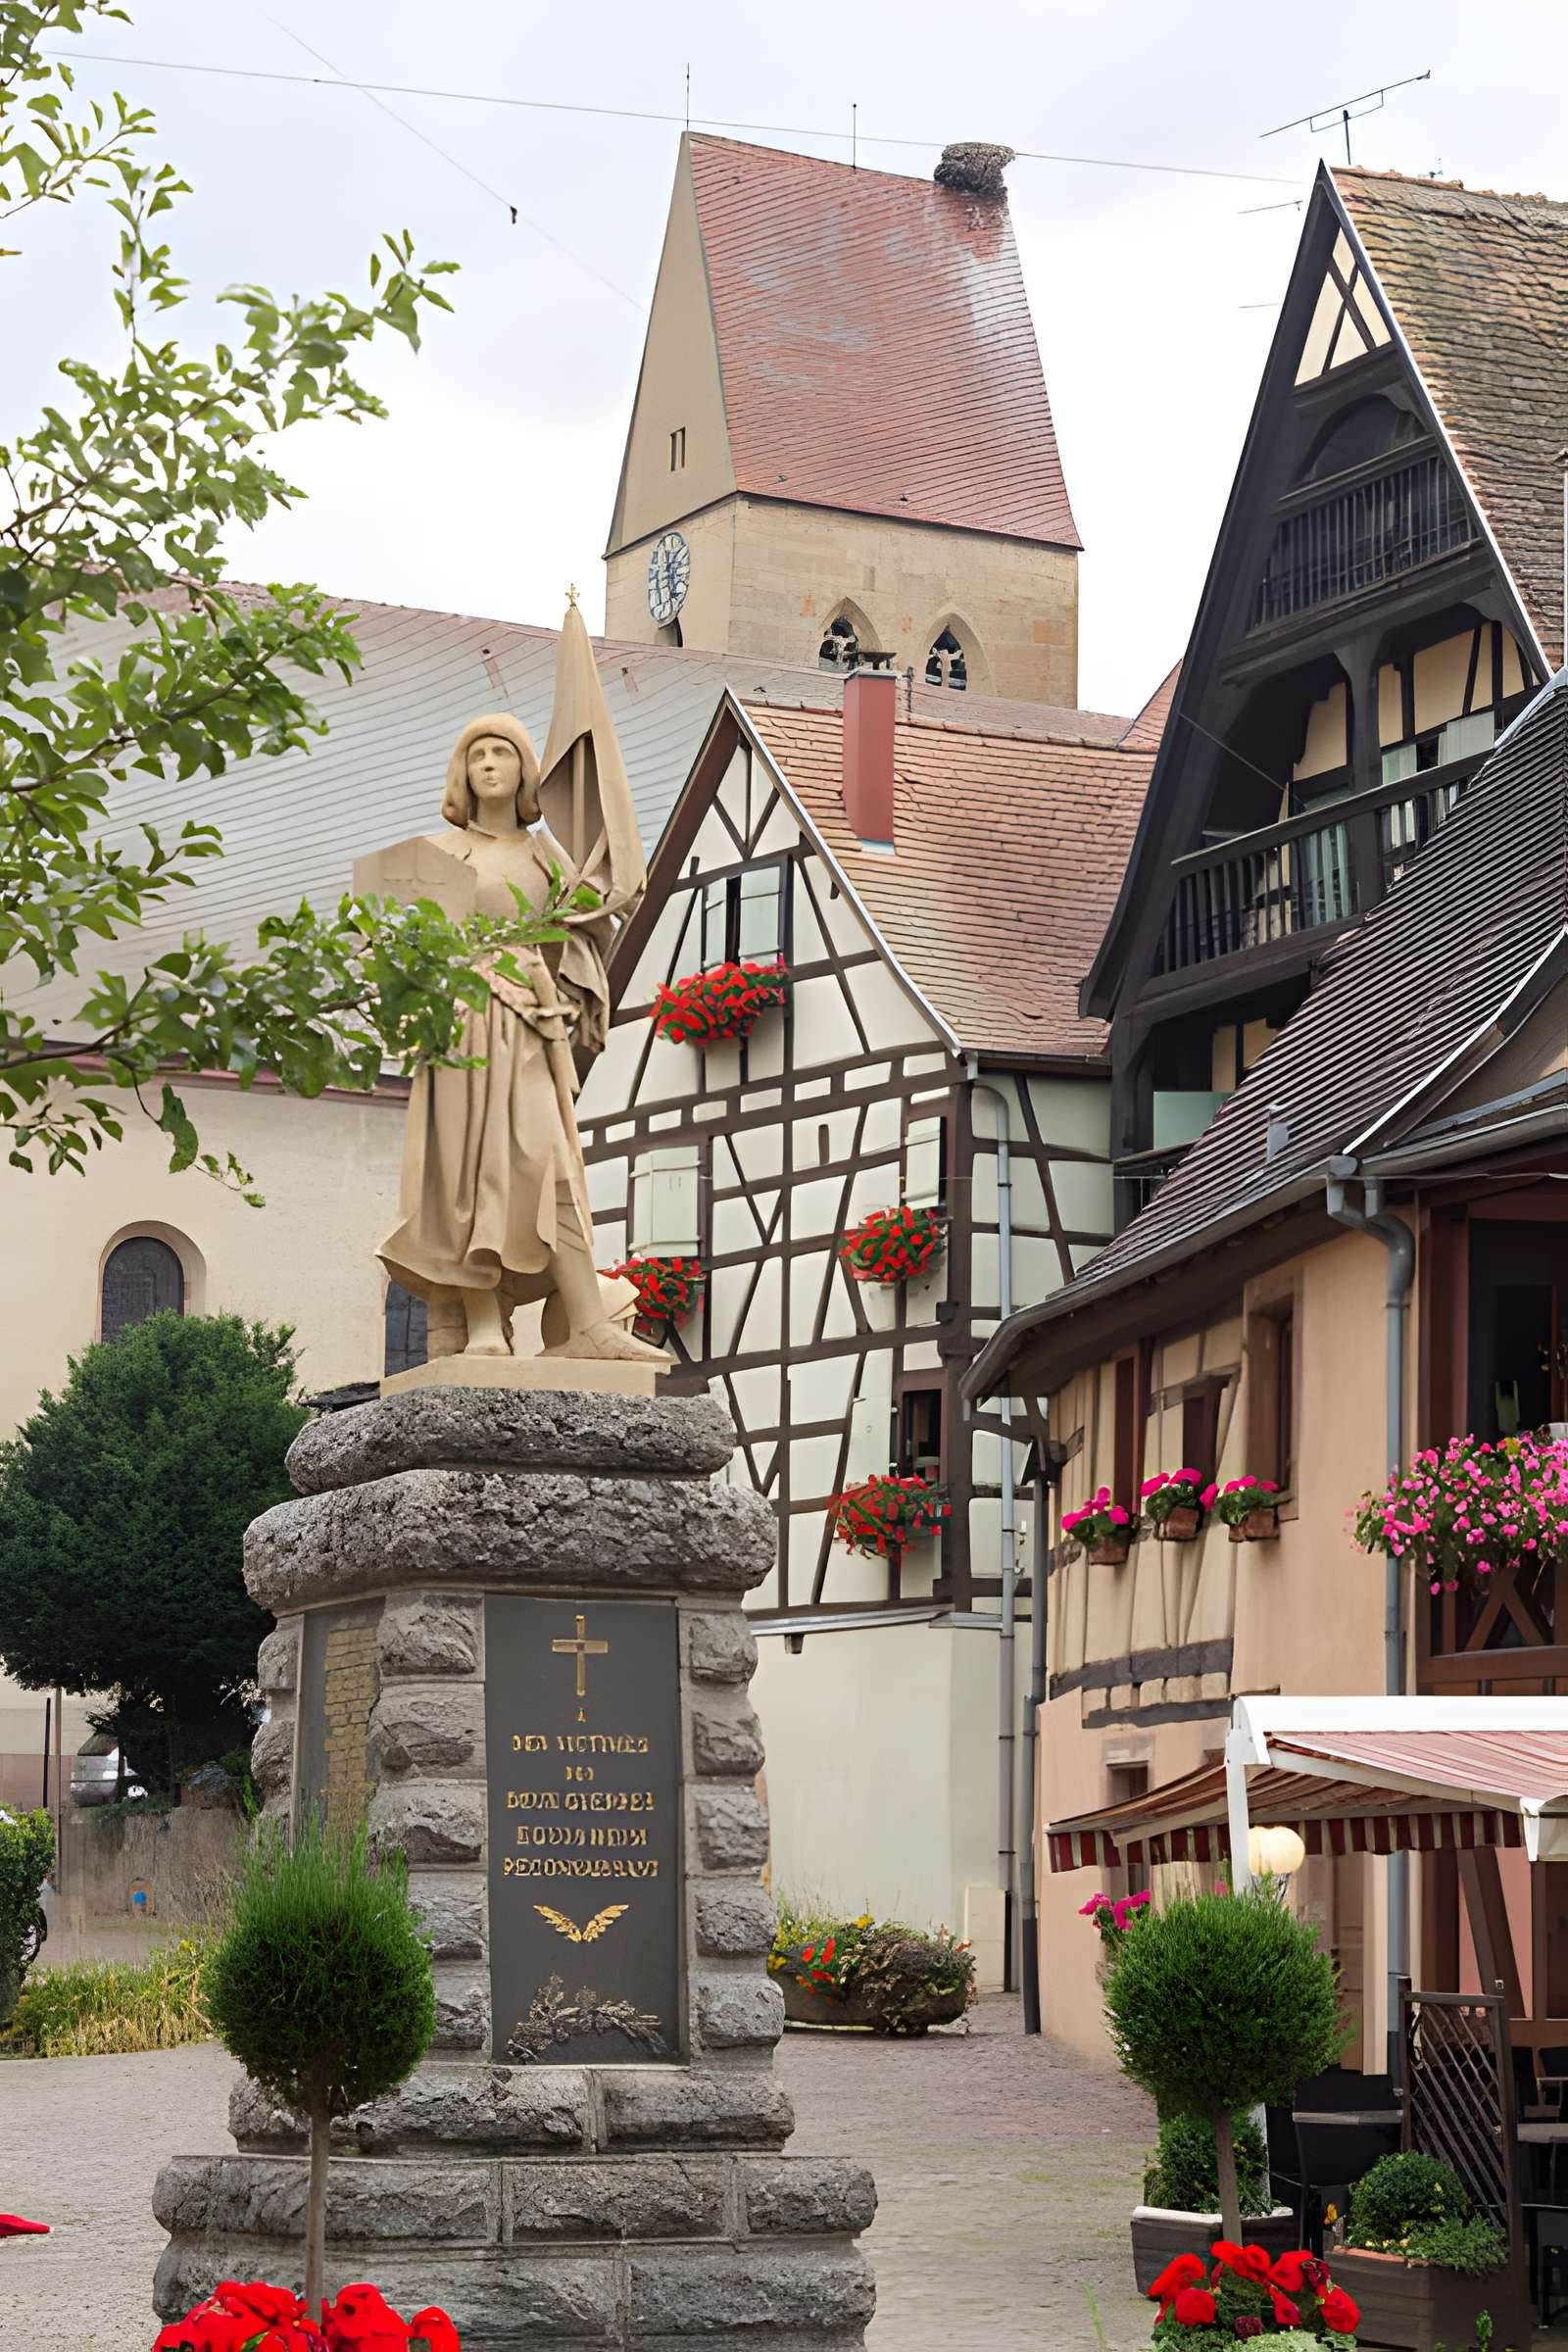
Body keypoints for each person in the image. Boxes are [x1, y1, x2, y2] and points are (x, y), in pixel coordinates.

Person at [376, 604, 665, 1367]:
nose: (491, 765)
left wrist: (609, 889)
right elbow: (392, 947)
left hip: (532, 1028)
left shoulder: (545, 858)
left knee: (551, 1165)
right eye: (478, 756)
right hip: (463, 1029)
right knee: (473, 1178)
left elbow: (594, 916)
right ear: (461, 773)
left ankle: (589, 1322)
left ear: (527, 768)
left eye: (504, 753)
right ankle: (479, 1326)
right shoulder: (436, 852)